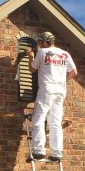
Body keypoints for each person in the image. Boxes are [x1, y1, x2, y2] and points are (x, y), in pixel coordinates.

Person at [26, 31, 77, 161]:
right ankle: (57, 153)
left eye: (40, 43)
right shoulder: (64, 54)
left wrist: (30, 56)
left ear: (44, 42)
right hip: (60, 91)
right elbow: (74, 72)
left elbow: (32, 69)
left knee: (38, 119)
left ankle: (38, 151)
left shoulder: (42, 53)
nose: (40, 45)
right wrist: (61, 81)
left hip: (47, 90)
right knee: (55, 123)